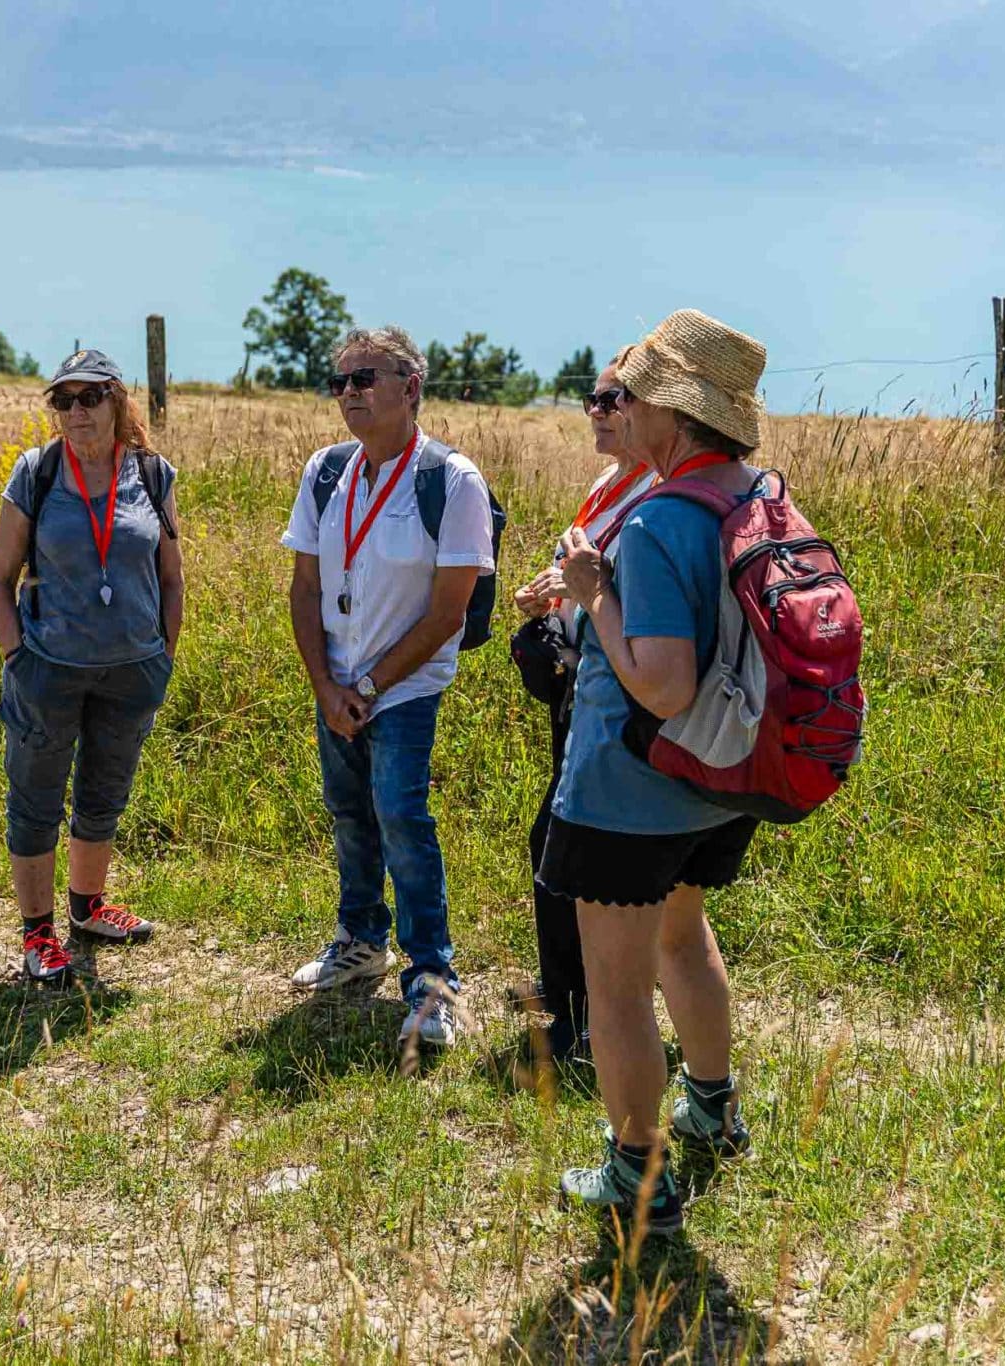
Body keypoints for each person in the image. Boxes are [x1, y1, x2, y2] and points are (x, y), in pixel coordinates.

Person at [545, 310, 766, 1234]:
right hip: (726, 775)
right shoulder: (755, 491)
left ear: (671, 416)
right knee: (685, 938)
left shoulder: (660, 520)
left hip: (633, 787)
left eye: (629, 395)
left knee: (617, 986)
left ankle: (639, 1179)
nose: (617, 409)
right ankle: (713, 1106)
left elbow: (662, 684)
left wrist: (595, 597)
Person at [281, 326, 497, 1047]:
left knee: (401, 818)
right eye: (339, 381)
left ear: (411, 386)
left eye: (365, 377)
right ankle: (361, 941)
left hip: (401, 689)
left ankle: (433, 982)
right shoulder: (325, 472)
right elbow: (305, 585)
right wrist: (326, 686)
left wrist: (369, 684)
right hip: (337, 685)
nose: (349, 393)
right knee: (348, 812)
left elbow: (449, 610)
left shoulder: (452, 480)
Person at [0, 348, 183, 986]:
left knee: (104, 794)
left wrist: (163, 654)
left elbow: (172, 579)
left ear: (117, 401)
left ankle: (89, 909)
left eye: (89, 397)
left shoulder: (152, 474)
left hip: (132, 671)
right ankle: (38, 933)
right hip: (49, 669)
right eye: (62, 401)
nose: (75, 412)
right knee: (36, 799)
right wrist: (17, 656)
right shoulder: (37, 473)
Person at [509, 351, 655, 1071]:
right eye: (591, 397)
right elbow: (588, 572)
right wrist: (551, 596)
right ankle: (574, 995)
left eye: (612, 399)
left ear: (651, 405)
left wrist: (580, 594)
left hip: (619, 686)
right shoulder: (608, 481)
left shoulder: (658, 490)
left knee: (565, 845)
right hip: (581, 677)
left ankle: (588, 1013)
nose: (595, 411)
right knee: (558, 841)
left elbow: (631, 590)